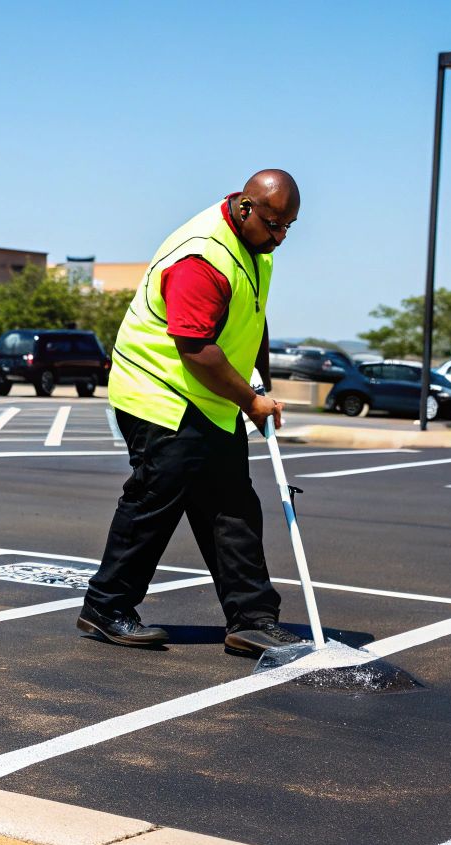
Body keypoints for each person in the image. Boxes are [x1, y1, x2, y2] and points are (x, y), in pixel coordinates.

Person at [78, 170, 305, 656]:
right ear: (246, 208)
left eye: (289, 227)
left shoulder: (254, 248)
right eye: (273, 224)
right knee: (155, 499)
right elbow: (195, 346)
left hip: (207, 398)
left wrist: (257, 382)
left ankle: (252, 619)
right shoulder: (203, 255)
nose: (280, 237)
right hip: (158, 389)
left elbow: (252, 317)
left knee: (232, 506)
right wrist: (250, 400)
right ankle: (105, 607)